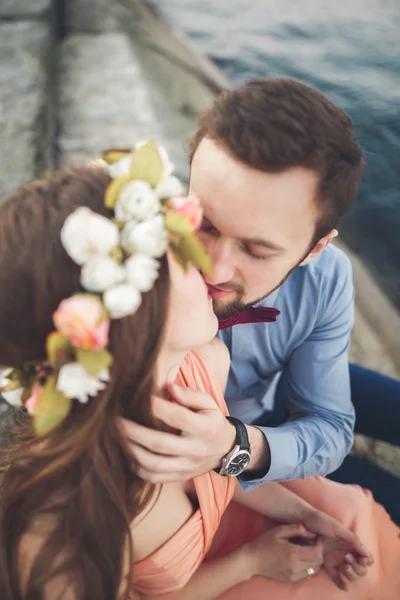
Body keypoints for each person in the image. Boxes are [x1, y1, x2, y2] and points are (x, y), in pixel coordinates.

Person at [0, 152, 399, 599]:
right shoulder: (62, 528)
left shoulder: (204, 365)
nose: (214, 267)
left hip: (257, 476)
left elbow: (215, 470)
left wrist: (300, 513)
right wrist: (251, 562)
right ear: (136, 315)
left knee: (353, 521)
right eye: (185, 257)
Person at [119, 77, 400, 524]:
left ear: (315, 249)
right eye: (205, 225)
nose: (213, 268)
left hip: (280, 389)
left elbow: (329, 426)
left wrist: (234, 444)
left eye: (256, 250)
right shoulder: (128, 256)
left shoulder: (326, 279)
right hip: (249, 431)